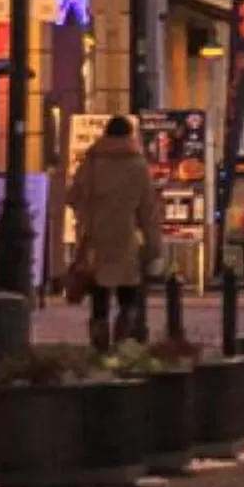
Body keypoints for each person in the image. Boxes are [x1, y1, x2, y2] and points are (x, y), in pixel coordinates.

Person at [67, 115, 164, 352]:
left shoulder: (91, 161)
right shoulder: (138, 165)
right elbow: (148, 211)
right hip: (126, 237)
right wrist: (153, 246)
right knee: (128, 292)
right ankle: (123, 342)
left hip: (96, 237)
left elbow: (73, 196)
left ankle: (99, 342)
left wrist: (87, 217)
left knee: (99, 293)